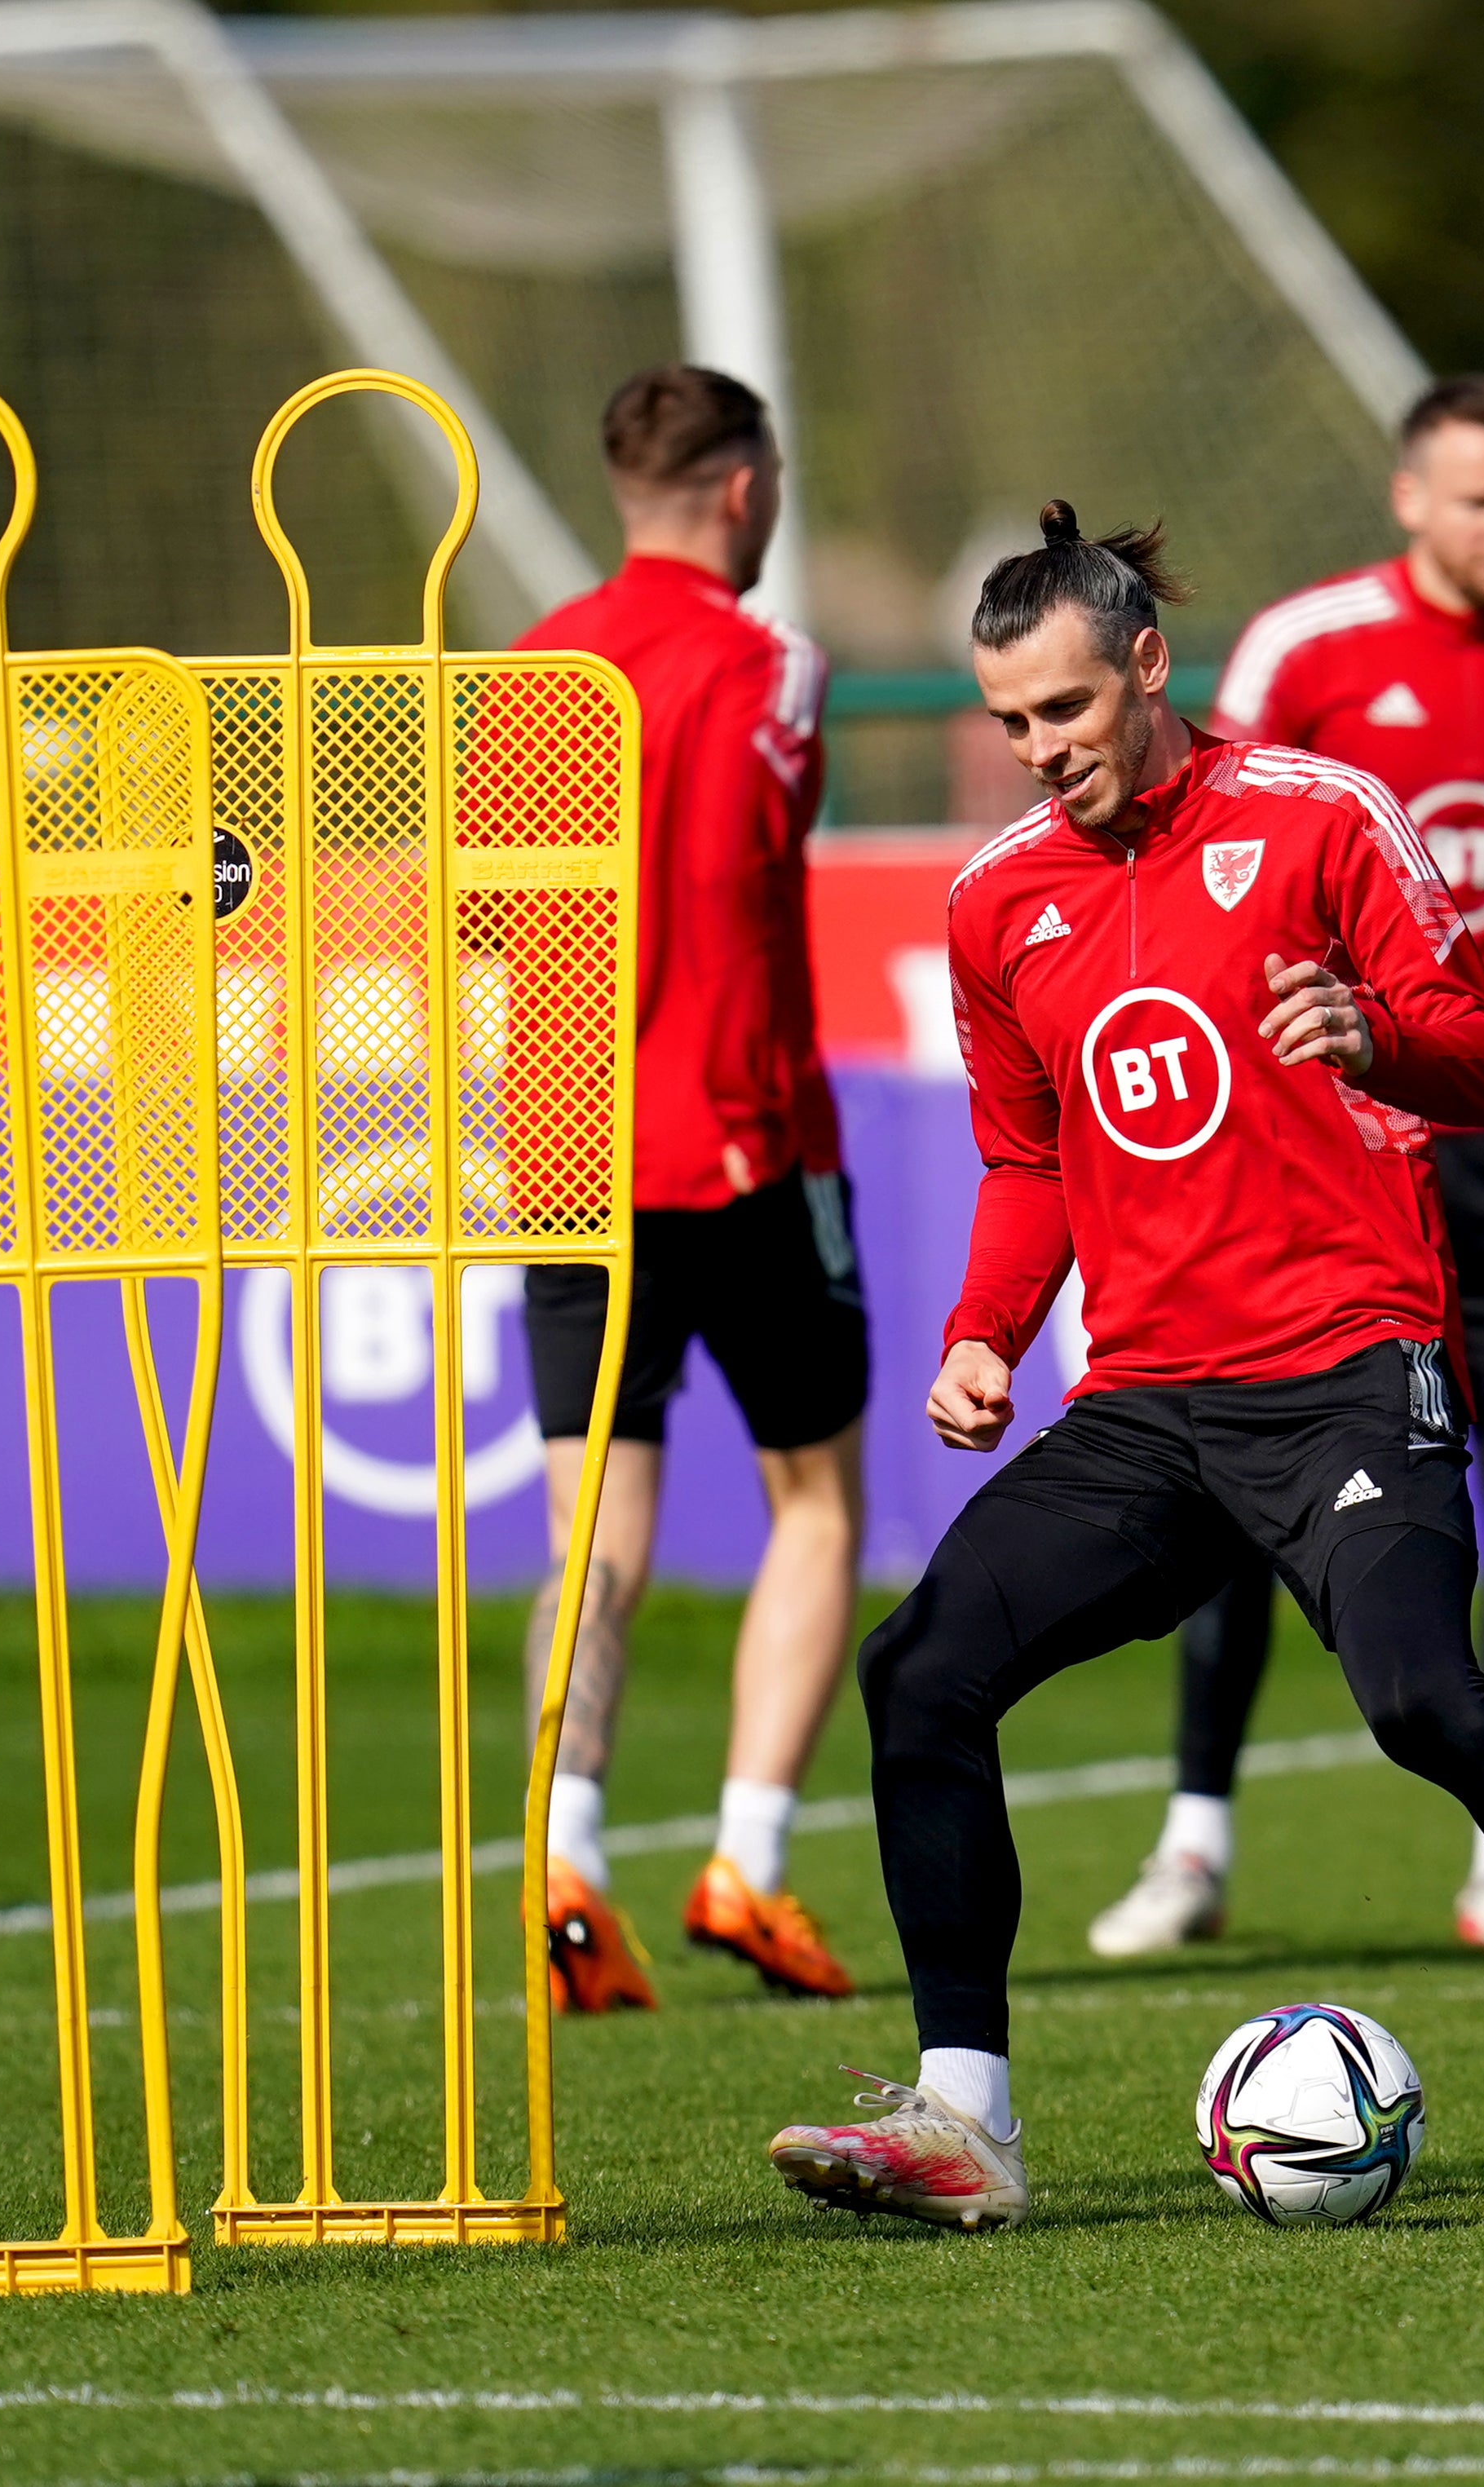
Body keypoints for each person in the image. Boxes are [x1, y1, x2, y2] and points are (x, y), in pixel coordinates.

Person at [765, 504, 1484, 2231]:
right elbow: (1027, 1161)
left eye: (1065, 714)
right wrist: (979, 1336)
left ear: (1147, 667)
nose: (1039, 755)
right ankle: (967, 2119)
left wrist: (1371, 1027)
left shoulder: (1319, 817)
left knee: (1419, 1703)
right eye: (1010, 725)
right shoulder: (993, 902)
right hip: (1146, 1400)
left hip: (1348, 1362)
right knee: (924, 1668)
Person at [1089, 374, 1484, 1958]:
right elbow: (1208, 861)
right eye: (1479, 498)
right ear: (1408, 497)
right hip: (1325, 1142)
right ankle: (1193, 1841)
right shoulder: (1308, 650)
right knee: (1239, 1477)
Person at [510, 365, 864, 2010]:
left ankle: (565, 1855)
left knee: (591, 1521)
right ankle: (748, 1858)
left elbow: (475, 916)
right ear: (741, 491)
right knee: (814, 1499)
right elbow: (744, 859)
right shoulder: (767, 661)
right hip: (738, 1136)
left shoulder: (530, 669)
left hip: (570, 1148)